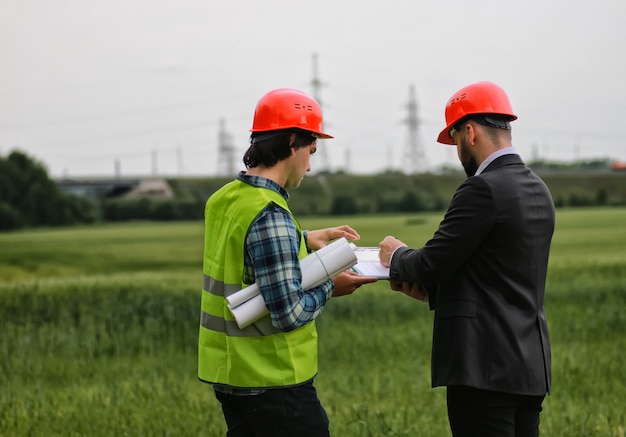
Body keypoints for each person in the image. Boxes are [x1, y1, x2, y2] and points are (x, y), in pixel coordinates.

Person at [379, 81, 555, 437]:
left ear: (469, 132)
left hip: (484, 370)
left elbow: (432, 262)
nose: (456, 150)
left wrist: (395, 255)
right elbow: (498, 276)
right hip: (530, 368)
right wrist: (434, 294)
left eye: (455, 139)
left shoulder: (482, 188)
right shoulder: (538, 188)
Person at [198, 88, 377, 437]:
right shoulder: (271, 215)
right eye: (310, 152)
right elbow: (289, 313)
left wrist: (303, 239)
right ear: (292, 141)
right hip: (274, 380)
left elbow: (244, 255)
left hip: (229, 374)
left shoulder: (225, 199)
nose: (309, 166)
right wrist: (330, 285)